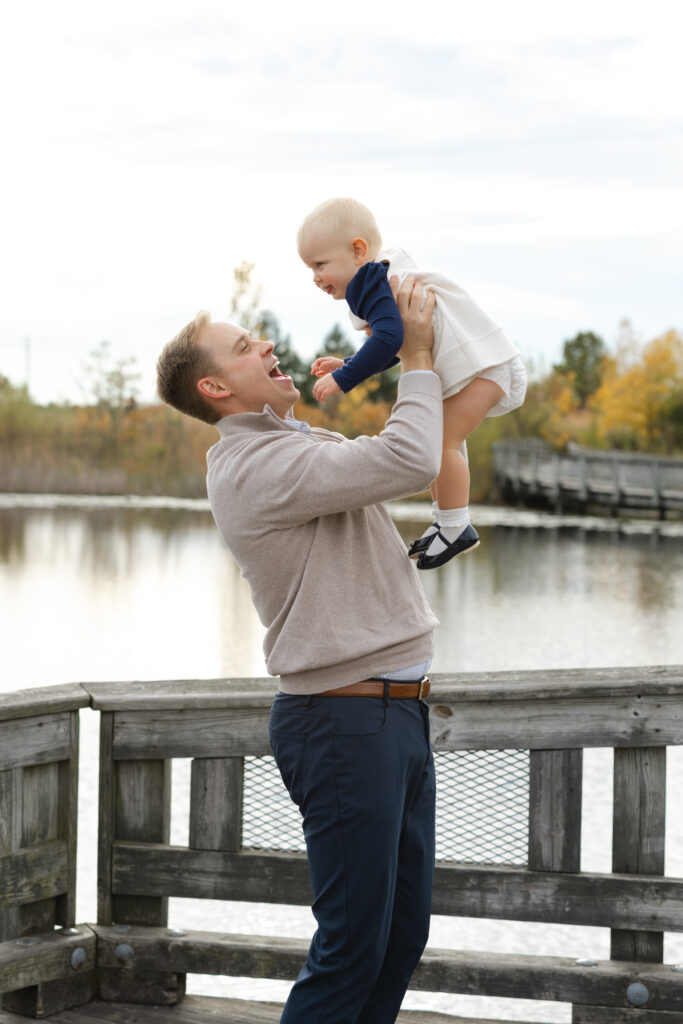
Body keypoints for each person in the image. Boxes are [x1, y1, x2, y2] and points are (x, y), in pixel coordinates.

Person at [156, 277, 442, 1023]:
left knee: (399, 936)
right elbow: (410, 458)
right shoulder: (258, 468)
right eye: (246, 347)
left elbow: (418, 453)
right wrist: (413, 352)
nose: (268, 346)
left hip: (394, 718)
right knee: (351, 948)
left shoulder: (297, 444)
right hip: (345, 723)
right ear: (216, 386)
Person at [297, 196, 528, 570]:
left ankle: (456, 526)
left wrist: (345, 377)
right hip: (482, 366)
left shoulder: (373, 281)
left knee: (440, 442)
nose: (316, 277)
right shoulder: (378, 279)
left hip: (485, 367)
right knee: (436, 439)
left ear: (358, 251)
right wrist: (352, 361)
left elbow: (388, 340)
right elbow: (395, 344)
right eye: (310, 268)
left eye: (320, 264)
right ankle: (445, 521)